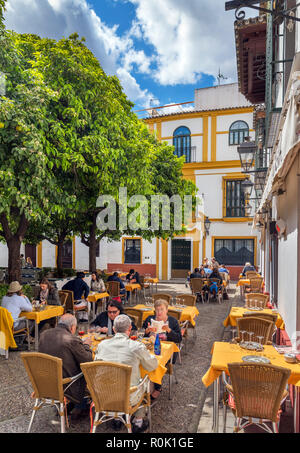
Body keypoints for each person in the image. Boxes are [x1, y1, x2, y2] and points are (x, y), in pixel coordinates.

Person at [94, 314, 158, 433]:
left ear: (113, 329)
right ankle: (138, 421)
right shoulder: (136, 346)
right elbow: (152, 365)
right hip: (128, 397)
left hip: (103, 395)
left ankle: (117, 418)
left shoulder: (101, 345)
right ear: (129, 329)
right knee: (146, 379)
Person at [39, 314, 93, 421]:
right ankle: (80, 406)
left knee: (73, 364)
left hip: (44, 383)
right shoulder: (71, 339)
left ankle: (72, 406)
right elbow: (88, 359)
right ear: (72, 327)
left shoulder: (44, 335)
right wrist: (86, 345)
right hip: (67, 386)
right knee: (85, 370)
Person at [142, 299, 182, 401]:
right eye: (157, 310)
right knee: (142, 360)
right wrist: (147, 331)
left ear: (167, 310)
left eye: (162, 309)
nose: (159, 312)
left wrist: (168, 330)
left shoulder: (172, 321)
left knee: (156, 362)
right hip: (150, 347)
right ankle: (143, 386)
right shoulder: (149, 319)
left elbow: (179, 339)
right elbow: (141, 335)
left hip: (168, 352)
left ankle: (157, 387)